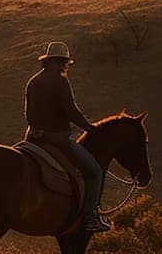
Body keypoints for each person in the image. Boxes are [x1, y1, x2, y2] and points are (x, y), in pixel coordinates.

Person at [24, 41, 110, 233]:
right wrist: (90, 127)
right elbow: (71, 111)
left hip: (32, 139)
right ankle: (90, 218)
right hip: (56, 140)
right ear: (59, 62)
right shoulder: (59, 81)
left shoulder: (33, 81)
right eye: (64, 62)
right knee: (95, 171)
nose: (65, 66)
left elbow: (27, 113)